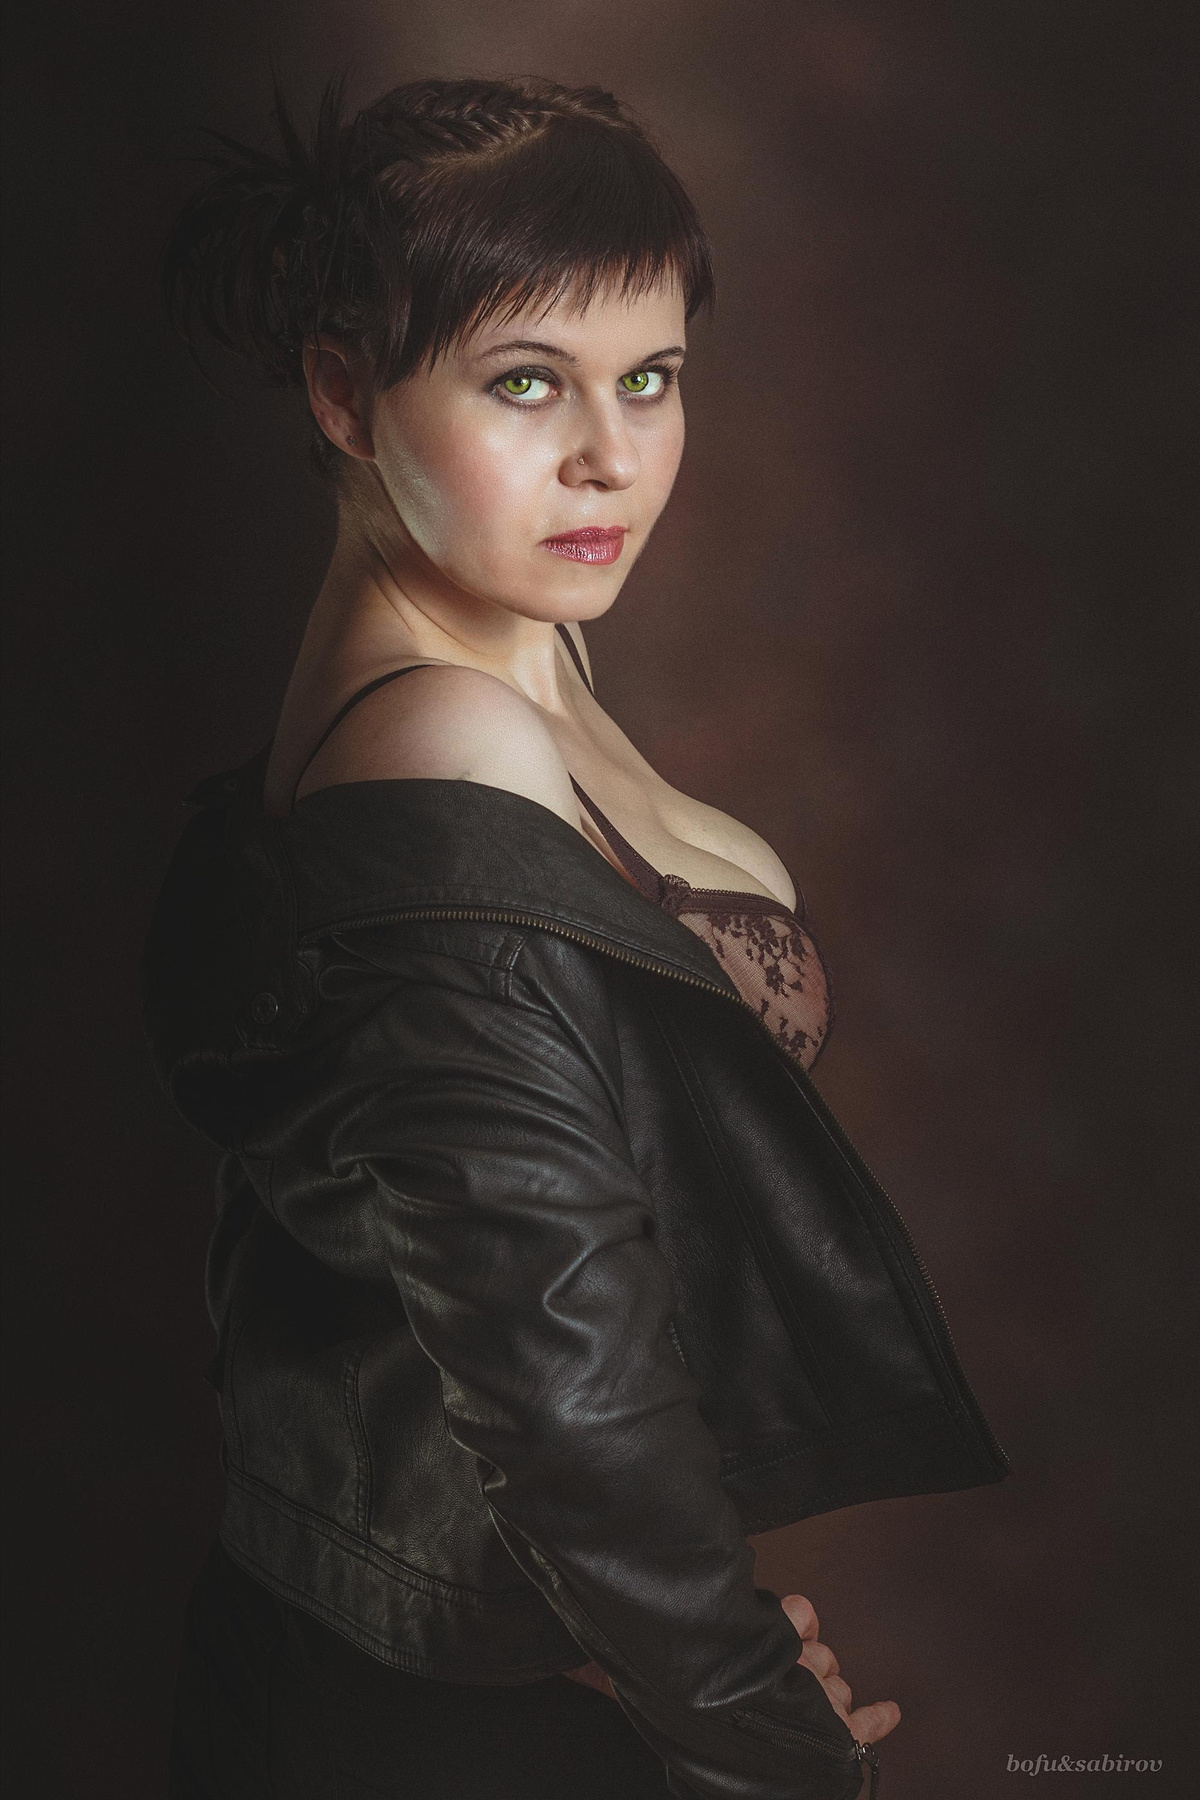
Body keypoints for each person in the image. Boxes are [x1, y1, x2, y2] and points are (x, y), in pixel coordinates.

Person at [145, 73, 1008, 1799]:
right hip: (439, 1728)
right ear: (343, 390)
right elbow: (551, 1367)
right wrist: (754, 1721)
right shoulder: (434, 741)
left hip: (466, 1644)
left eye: (653, 378)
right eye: (527, 381)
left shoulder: (514, 638)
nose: (612, 455)